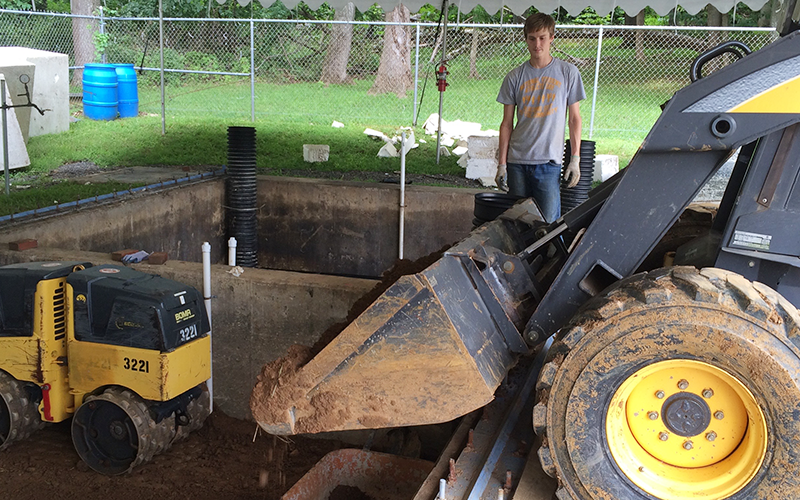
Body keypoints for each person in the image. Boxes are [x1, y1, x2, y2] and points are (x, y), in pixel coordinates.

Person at [495, 13, 586, 223]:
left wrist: (575, 159)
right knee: (517, 223)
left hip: (548, 162)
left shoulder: (568, 73)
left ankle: (550, 257)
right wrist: (502, 164)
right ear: (525, 39)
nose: (537, 44)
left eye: (542, 37)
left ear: (552, 37)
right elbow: (506, 124)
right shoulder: (514, 77)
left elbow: (574, 119)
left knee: (549, 224)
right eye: (532, 38)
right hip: (517, 161)